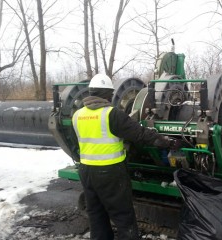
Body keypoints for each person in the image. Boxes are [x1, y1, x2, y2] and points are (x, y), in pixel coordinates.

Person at [72, 74, 180, 240]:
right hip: (110, 173)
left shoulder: (77, 115)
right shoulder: (111, 114)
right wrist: (166, 142)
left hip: (86, 171)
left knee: (96, 215)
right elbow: (140, 134)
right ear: (107, 94)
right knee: (123, 216)